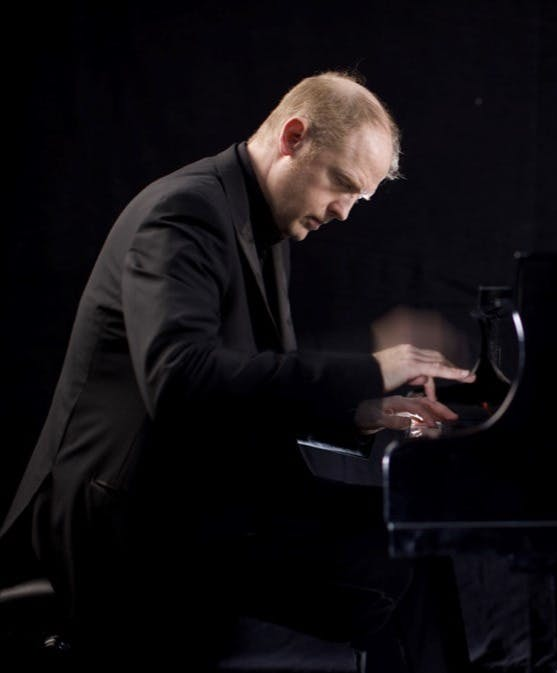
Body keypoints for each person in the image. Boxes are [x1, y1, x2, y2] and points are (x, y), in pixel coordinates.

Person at [0, 70, 475, 672]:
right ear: (294, 137)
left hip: (199, 496)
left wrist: (364, 411)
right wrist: (370, 370)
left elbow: (252, 379)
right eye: (343, 186)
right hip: (132, 520)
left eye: (359, 198)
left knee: (411, 532)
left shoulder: (257, 218)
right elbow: (180, 379)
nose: (345, 213)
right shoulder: (185, 213)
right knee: (396, 553)